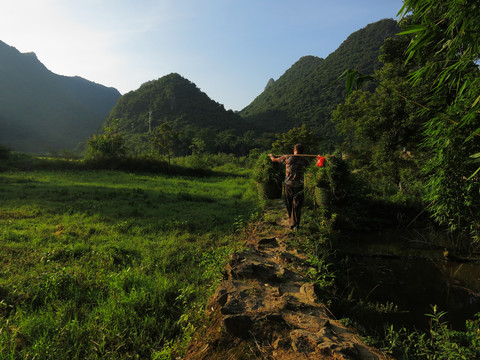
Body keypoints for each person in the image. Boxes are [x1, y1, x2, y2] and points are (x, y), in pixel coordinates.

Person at [269, 144, 314, 231]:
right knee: (296, 205)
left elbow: (274, 160)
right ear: (302, 151)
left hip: (288, 185)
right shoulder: (304, 160)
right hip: (299, 186)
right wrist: (320, 158)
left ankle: (292, 223)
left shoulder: (287, 157)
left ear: (294, 150)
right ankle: (294, 224)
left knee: (289, 204)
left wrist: (271, 155)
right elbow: (313, 167)